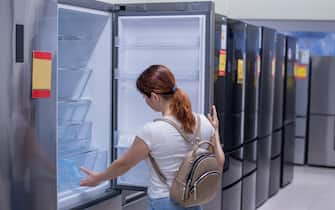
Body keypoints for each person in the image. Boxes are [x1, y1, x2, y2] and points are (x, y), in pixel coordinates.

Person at [80, 65, 225, 210]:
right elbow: (219, 162)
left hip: (164, 202)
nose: (145, 101)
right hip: (193, 201)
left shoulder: (152, 131)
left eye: (145, 97)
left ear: (155, 97)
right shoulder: (204, 122)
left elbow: (124, 165)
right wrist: (215, 130)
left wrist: (98, 178)